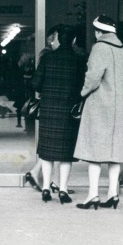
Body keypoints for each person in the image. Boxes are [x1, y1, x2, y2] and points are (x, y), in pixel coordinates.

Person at [74, 15, 123, 210]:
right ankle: (113, 194)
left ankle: (92, 195)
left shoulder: (99, 48)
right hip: (120, 108)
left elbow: (93, 77)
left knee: (95, 152)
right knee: (115, 152)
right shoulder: (122, 50)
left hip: (100, 106)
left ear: (98, 32)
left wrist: (82, 92)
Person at [31, 25, 84, 204]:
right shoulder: (78, 60)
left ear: (59, 39)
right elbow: (82, 88)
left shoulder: (47, 58)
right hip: (68, 112)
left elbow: (36, 83)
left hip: (48, 110)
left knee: (47, 153)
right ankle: (63, 190)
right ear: (73, 41)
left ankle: (46, 188)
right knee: (66, 154)